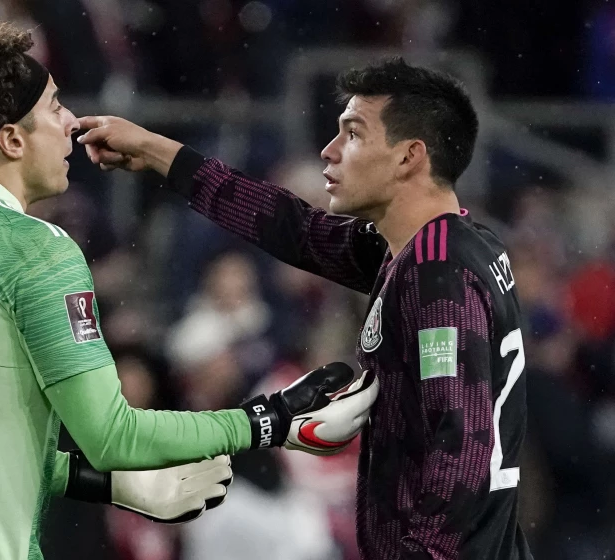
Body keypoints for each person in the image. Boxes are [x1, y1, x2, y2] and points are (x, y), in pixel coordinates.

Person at [0, 23, 379, 560]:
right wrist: (271, 421)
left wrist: (112, 488)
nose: (70, 121)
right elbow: (113, 435)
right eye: (53, 106)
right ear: (11, 139)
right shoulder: (35, 250)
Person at [78, 57, 534, 559]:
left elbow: (461, 444)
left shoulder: (437, 271)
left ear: (409, 157)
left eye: (353, 134)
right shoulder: (446, 247)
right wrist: (162, 154)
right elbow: (294, 228)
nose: (329, 150)